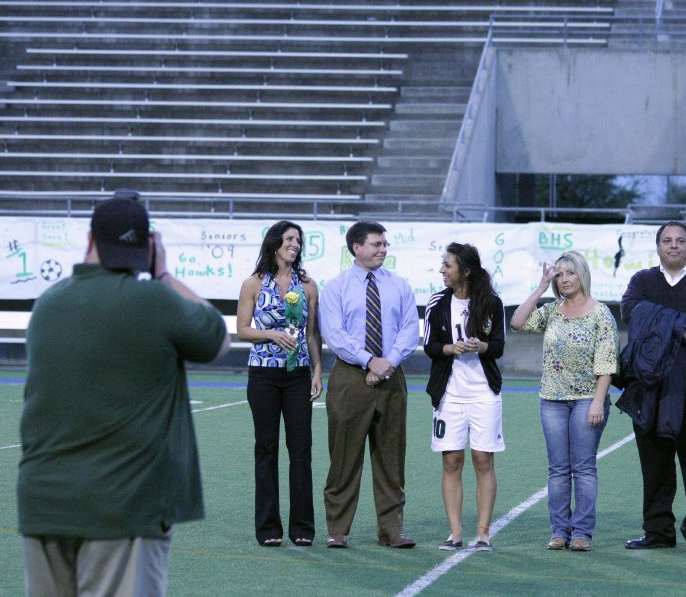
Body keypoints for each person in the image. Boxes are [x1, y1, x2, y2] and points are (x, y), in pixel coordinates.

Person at [17, 192, 230, 596]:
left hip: (43, 501)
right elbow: (216, 338)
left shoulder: (48, 303)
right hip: (123, 506)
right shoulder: (154, 300)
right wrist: (164, 274)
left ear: (90, 240)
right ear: (148, 247)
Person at [620, 221, 686, 554]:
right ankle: (658, 531)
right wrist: (679, 323)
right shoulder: (642, 280)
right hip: (650, 384)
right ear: (658, 247)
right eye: (667, 240)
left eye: (680, 240)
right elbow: (630, 312)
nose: (674, 245)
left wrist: (658, 322)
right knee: (654, 460)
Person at [318, 220, 420, 549]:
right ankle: (338, 529)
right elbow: (335, 334)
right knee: (344, 457)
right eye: (376, 244)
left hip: (392, 375)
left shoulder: (400, 285)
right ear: (356, 248)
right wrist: (368, 360)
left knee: (391, 458)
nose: (382, 250)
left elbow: (409, 329)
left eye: (385, 245)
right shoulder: (335, 287)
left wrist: (387, 361)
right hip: (350, 376)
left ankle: (391, 530)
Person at [510, 251, 618, 552]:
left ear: (582, 275)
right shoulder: (552, 310)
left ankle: (582, 532)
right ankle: (559, 531)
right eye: (559, 274)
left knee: (583, 468)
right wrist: (540, 288)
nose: (564, 279)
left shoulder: (601, 313)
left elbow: (607, 362)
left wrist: (598, 402)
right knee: (557, 468)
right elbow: (518, 322)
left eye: (570, 273)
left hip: (587, 399)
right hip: (552, 400)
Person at [236, 221, 323, 547]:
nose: (295, 245)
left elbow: (313, 333)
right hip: (263, 376)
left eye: (298, 240)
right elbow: (243, 329)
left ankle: (302, 528)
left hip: (298, 375)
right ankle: (268, 529)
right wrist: (270, 334)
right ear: (274, 244)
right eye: (289, 239)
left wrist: (317, 371)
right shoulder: (253, 284)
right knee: (266, 449)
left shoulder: (308, 285)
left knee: (301, 450)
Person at [423, 243, 506, 552]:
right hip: (449, 395)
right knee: (451, 461)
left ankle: (483, 533)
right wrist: (451, 348)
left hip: (484, 394)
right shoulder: (436, 302)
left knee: (483, 460)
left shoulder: (492, 303)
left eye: (448, 265)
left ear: (466, 271)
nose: (442, 270)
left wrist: (479, 346)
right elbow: (430, 347)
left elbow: (498, 345)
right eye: (442, 265)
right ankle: (455, 533)